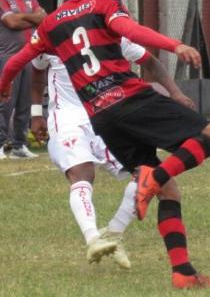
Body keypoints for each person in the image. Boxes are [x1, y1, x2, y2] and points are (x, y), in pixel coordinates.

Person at [0, 0, 210, 289]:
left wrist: (3, 88)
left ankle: (182, 273)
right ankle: (152, 177)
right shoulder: (105, 6)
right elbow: (133, 32)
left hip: (101, 117)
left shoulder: (50, 23)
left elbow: (18, 62)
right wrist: (174, 44)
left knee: (170, 192)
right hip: (130, 99)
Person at [30, 36, 195, 269]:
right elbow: (35, 71)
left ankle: (114, 233)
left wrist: (176, 93)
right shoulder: (51, 35)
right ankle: (93, 239)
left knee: (151, 175)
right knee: (82, 173)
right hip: (67, 118)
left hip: (105, 115)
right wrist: (37, 112)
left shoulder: (110, 32)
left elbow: (150, 61)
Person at [0, 0, 45, 159]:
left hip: (29, 56)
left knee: (24, 104)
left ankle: (19, 145)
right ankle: (1, 144)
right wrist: (32, 17)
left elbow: (44, 18)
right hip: (8, 57)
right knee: (5, 103)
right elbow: (10, 22)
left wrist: (22, 17)